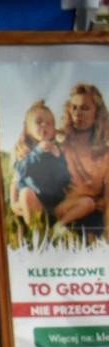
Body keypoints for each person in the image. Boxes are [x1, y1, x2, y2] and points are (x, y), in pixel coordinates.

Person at [54, 82, 109, 234]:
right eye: (74, 107)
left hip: (93, 215)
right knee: (88, 203)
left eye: (85, 108)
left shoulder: (105, 154)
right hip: (63, 209)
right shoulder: (61, 143)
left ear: (97, 114)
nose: (78, 113)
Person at [9, 101, 70, 224]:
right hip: (35, 200)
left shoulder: (57, 149)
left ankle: (58, 226)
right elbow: (20, 173)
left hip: (55, 203)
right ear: (28, 129)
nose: (44, 125)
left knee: (86, 203)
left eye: (49, 123)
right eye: (38, 122)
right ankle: (37, 232)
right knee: (25, 193)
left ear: (54, 130)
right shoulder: (24, 150)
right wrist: (37, 152)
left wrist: (58, 159)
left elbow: (65, 180)